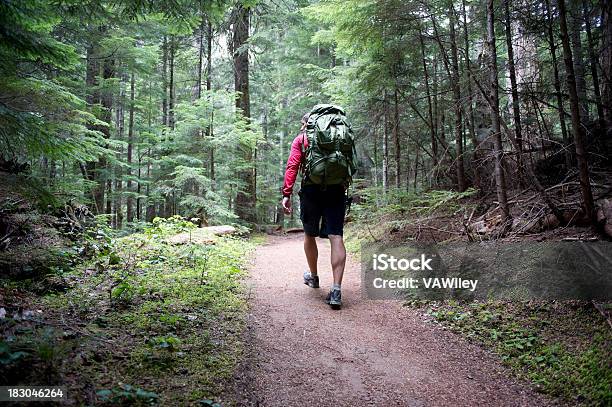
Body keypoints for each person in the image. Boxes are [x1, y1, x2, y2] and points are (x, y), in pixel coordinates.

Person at [281, 112, 347, 309]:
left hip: (311, 190)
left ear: (306, 124)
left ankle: (314, 277)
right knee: (336, 237)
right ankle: (336, 289)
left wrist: (287, 193)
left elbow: (292, 167)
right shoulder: (339, 137)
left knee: (310, 235)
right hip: (336, 190)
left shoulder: (301, 140)